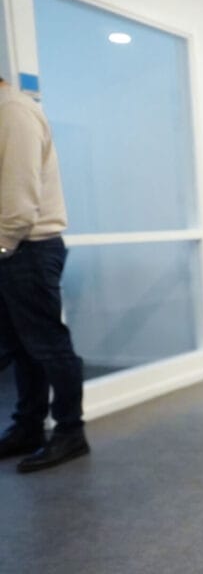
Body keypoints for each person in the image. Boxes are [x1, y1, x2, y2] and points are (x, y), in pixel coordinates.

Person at [0, 75, 88, 473]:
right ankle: (28, 428)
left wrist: (2, 246)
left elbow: (19, 201)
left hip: (27, 248)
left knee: (49, 346)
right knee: (23, 348)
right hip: (14, 249)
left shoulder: (13, 113)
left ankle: (70, 433)